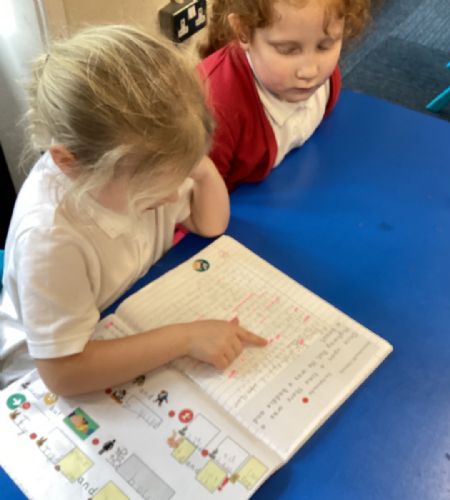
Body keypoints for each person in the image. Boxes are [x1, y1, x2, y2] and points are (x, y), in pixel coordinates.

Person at [0, 25, 266, 396]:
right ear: (70, 164)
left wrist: (200, 169)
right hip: (43, 379)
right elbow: (63, 376)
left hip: (125, 311)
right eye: (155, 190)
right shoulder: (49, 238)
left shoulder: (141, 164)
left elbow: (210, 224)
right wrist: (186, 338)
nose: (174, 197)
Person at [198, 0, 373, 191]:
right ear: (243, 31)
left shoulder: (326, 83)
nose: (309, 71)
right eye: (288, 50)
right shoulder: (216, 110)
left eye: (324, 46)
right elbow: (192, 198)